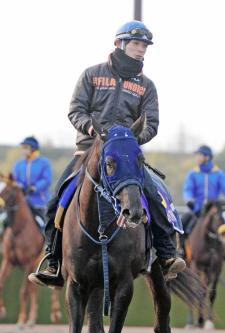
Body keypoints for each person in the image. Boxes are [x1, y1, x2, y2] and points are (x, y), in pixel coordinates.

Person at [29, 20, 185, 288]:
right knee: (57, 198)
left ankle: (167, 256)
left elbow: (152, 125)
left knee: (157, 198)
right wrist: (90, 126)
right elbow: (75, 109)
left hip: (124, 158)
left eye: (144, 45)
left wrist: (131, 141)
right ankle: (53, 260)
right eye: (136, 44)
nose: (141, 50)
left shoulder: (147, 86)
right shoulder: (91, 74)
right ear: (120, 44)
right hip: (88, 150)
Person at [182, 144, 225, 237]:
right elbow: (188, 190)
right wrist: (189, 200)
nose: (196, 157)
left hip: (214, 210)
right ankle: (181, 249)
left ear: (207, 157)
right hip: (196, 209)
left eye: (199, 155)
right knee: (182, 223)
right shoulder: (192, 174)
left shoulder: (219, 174)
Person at [12, 136, 52, 231]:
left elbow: (46, 180)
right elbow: (15, 179)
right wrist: (19, 185)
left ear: (33, 149)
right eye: (23, 148)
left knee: (45, 224)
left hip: (39, 201)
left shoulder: (44, 163)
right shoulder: (18, 164)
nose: (23, 150)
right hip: (21, 200)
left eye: (26, 148)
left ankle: (48, 242)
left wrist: (35, 188)